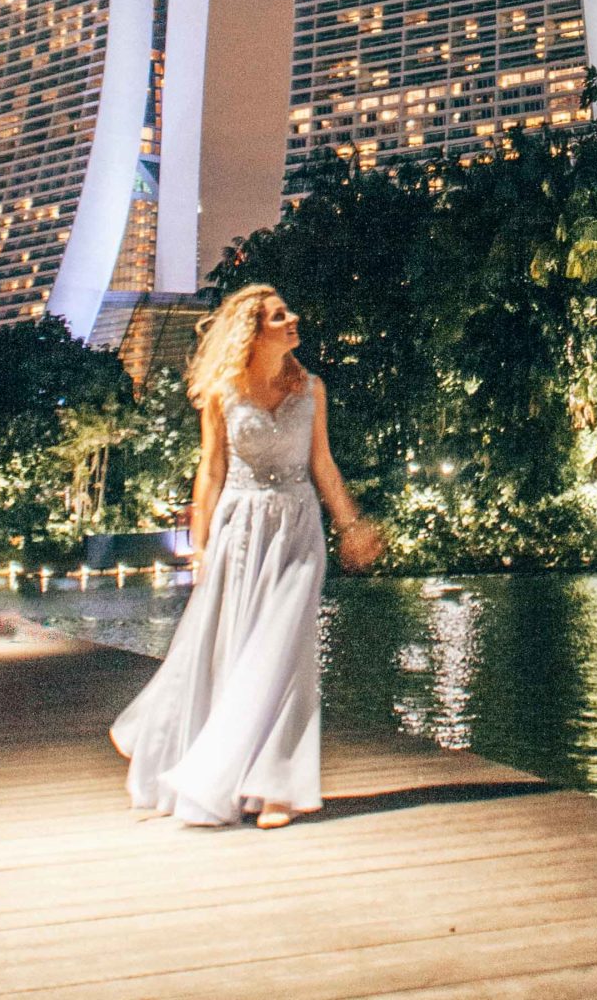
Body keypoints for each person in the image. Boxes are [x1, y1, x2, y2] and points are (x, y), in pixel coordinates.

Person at [110, 284, 384, 827]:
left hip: (299, 529)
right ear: (254, 332)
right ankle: (214, 768)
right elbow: (210, 471)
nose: (294, 319)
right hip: (240, 530)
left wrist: (350, 525)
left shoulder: (312, 389)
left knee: (287, 653)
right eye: (281, 316)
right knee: (234, 651)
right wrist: (201, 542)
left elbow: (323, 464)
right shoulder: (223, 394)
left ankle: (279, 787)